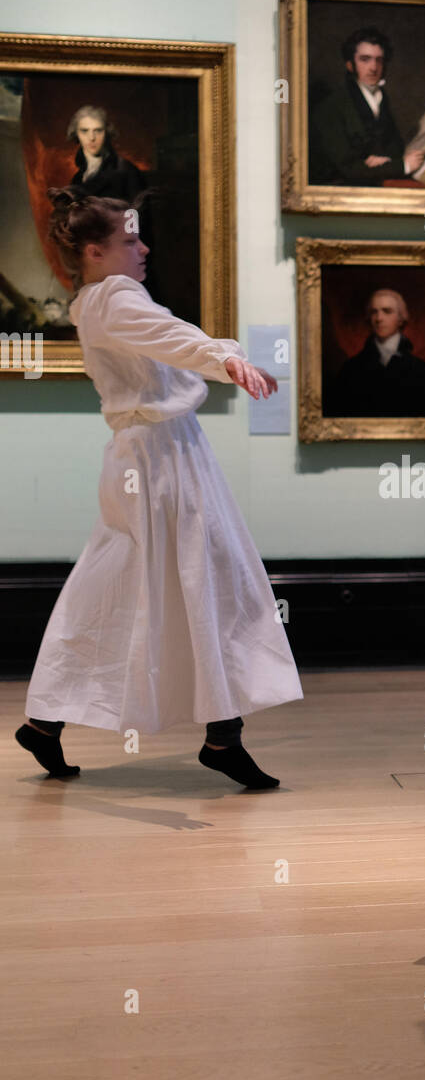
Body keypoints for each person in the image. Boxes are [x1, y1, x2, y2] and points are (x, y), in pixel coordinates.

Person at [16, 186, 303, 790]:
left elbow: (169, 336)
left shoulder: (93, 300)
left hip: (147, 451)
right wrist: (224, 358)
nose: (143, 248)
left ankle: (48, 722)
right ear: (94, 251)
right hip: (159, 458)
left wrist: (218, 356)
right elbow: (173, 337)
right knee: (205, 576)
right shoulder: (117, 297)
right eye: (129, 240)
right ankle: (221, 738)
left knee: (125, 581)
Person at [309, 27, 425, 184]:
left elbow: (394, 146)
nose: (373, 67)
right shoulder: (331, 106)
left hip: (374, 181)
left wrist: (385, 160)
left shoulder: (380, 97)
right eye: (365, 59)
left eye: (379, 60)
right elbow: (347, 168)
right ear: (350, 65)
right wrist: (403, 165)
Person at [326, 287, 425, 417]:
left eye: (387, 311)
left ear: (401, 318)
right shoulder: (351, 369)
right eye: (374, 312)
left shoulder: (420, 370)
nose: (379, 318)